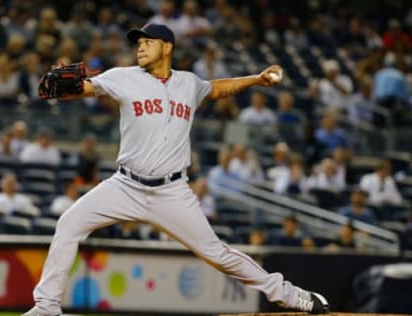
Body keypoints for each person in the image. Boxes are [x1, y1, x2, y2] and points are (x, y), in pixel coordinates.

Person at [23, 24, 329, 316]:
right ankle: (47, 305)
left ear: (167, 47)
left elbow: (217, 89)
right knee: (68, 224)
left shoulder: (189, 83)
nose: (140, 48)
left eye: (147, 42)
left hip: (171, 192)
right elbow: (82, 89)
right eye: (138, 43)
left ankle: (290, 296)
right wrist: (63, 88)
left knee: (218, 254)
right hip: (125, 185)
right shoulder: (123, 77)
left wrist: (256, 79)